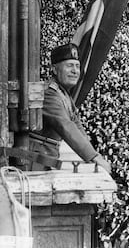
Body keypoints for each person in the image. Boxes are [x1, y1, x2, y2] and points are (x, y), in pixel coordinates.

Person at [29, 43, 111, 173]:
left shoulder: (63, 93)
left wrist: (94, 154)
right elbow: (65, 126)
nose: (75, 71)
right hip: (34, 160)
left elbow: (76, 124)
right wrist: (94, 157)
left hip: (44, 156)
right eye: (69, 66)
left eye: (77, 66)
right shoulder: (48, 93)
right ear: (54, 70)